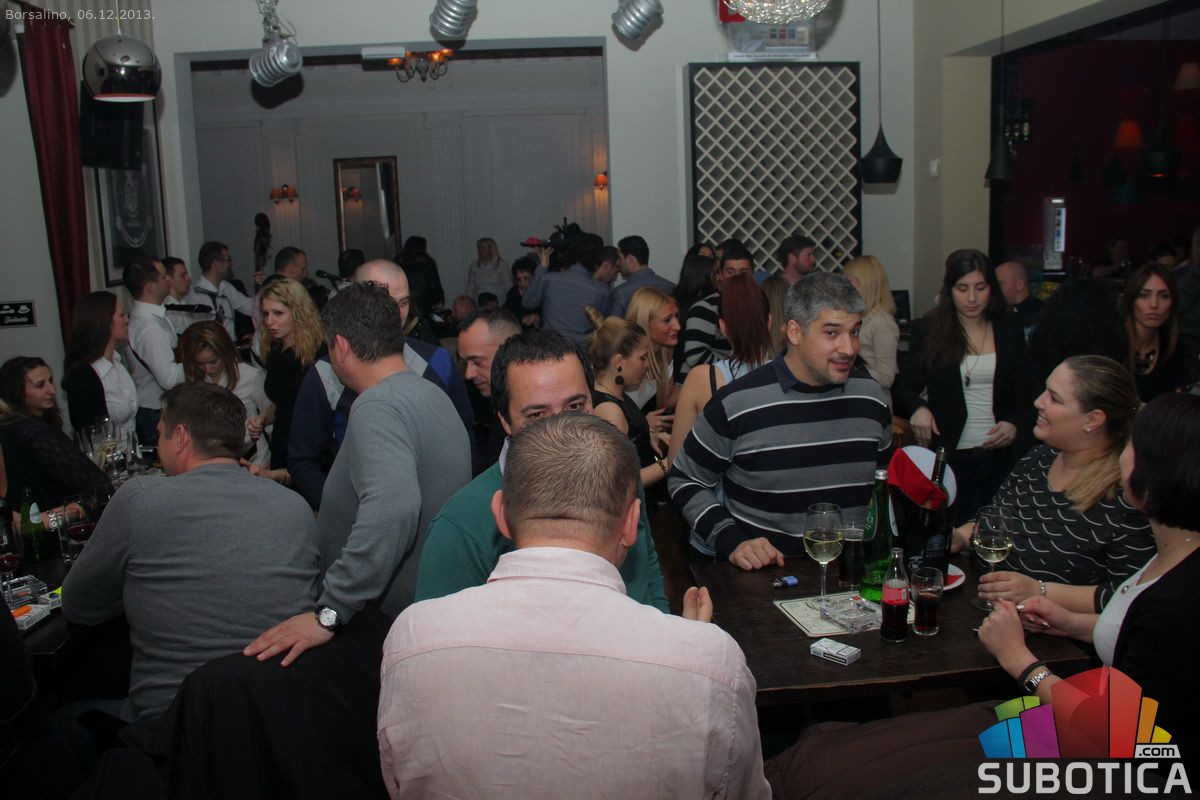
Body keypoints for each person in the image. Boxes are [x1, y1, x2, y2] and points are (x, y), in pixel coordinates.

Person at [382, 413, 769, 799]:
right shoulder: (710, 661)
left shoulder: (412, 638)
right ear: (631, 524)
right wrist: (690, 649)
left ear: (500, 514)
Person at [61, 382, 321, 722]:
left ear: (181, 437)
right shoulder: (295, 506)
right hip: (282, 716)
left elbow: (79, 605)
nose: (159, 448)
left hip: (173, 727)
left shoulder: (140, 500)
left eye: (161, 435)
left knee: (62, 721)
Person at [245, 282, 470, 667]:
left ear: (341, 346)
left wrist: (331, 611)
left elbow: (394, 508)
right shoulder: (431, 394)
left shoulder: (378, 406)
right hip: (422, 615)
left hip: (381, 626)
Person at [979, 392, 1200, 768]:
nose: (1119, 454)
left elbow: (1118, 732)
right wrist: (1069, 622)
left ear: (1156, 471)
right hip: (1100, 723)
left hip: (1130, 768)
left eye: (1129, 445)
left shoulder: (1179, 599)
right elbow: (1143, 642)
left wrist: (1019, 660)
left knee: (963, 746)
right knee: (952, 731)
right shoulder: (1174, 552)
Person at [414, 330, 668, 611]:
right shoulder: (461, 525)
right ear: (505, 421)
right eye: (537, 415)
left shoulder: (617, 473)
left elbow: (646, 566)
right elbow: (439, 632)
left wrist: (662, 625)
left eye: (574, 406)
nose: (561, 428)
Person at [669, 272, 891, 567]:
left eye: (854, 332)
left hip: (852, 577)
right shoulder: (738, 402)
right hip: (766, 579)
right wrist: (732, 540)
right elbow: (685, 479)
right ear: (795, 333)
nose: (849, 348)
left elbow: (885, 483)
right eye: (831, 333)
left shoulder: (871, 398)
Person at [961, 356, 1153, 612]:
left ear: (1092, 420)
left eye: (1054, 398)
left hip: (1054, 634)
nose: (1038, 402)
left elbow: (1129, 595)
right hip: (987, 612)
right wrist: (959, 537)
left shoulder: (1126, 492)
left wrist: (1040, 591)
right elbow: (994, 522)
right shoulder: (1039, 458)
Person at [287, 260, 474, 510]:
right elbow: (303, 458)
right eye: (383, 302)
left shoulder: (437, 362)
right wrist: (338, 513)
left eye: (403, 302)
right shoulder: (327, 371)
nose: (395, 313)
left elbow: (465, 438)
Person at [893, 249, 1032, 525]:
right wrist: (919, 408)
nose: (971, 298)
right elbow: (903, 388)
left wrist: (1015, 422)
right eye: (962, 288)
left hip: (1001, 455)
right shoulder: (930, 330)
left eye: (980, 288)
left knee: (998, 529)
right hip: (951, 454)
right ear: (949, 290)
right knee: (951, 531)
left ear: (991, 288)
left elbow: (1028, 389)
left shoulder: (1009, 326)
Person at [669, 273, 774, 467]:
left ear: (723, 327)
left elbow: (677, 463)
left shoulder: (702, 379)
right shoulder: (788, 376)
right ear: (769, 321)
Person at [0, 357, 111, 510]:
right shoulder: (37, 434)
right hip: (59, 519)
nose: (51, 390)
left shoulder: (9, 426)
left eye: (50, 381)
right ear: (17, 392)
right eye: (40, 385)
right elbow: (101, 488)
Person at [585, 309, 671, 489]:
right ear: (619, 362)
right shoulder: (610, 411)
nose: (647, 365)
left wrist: (647, 436)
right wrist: (670, 462)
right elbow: (621, 484)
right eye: (642, 358)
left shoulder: (615, 394)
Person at [179, 321, 272, 468]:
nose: (208, 369)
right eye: (200, 364)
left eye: (213, 362)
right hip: (213, 465)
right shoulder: (192, 380)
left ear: (225, 352)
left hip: (255, 463)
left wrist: (270, 466)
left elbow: (271, 421)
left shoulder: (250, 376)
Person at [257, 278, 324, 472]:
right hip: (282, 440)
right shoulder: (274, 351)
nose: (269, 321)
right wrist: (263, 418)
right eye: (266, 314)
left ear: (298, 312)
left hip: (311, 446)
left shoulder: (318, 353)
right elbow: (284, 401)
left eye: (278, 313)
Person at [125, 255, 185, 447]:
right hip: (155, 412)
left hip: (156, 409)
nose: (169, 280)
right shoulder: (149, 327)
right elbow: (170, 379)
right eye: (163, 277)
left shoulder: (152, 316)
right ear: (150, 287)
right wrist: (198, 362)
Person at [61, 291, 137, 438]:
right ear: (105, 323)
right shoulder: (83, 377)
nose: (127, 319)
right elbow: (90, 434)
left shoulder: (117, 361)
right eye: (121, 315)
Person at [1120, 262, 1198, 402]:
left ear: (1173, 303)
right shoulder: (1112, 339)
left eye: (1164, 296)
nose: (1154, 304)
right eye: (1144, 295)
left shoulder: (1175, 345)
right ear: (1131, 300)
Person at [676, 243, 753, 384]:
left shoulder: (756, 306)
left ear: (752, 274)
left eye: (743, 272)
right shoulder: (705, 308)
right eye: (730, 272)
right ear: (720, 275)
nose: (737, 277)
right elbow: (695, 357)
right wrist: (738, 370)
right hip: (702, 387)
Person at [458, 308, 521, 470]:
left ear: (510, 352)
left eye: (477, 362)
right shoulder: (502, 404)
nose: (468, 374)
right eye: (465, 362)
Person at [521, 232, 612, 341]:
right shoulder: (602, 290)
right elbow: (603, 326)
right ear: (598, 259)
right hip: (582, 349)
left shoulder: (549, 279)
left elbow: (527, 302)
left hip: (551, 346)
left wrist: (542, 267)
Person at [843, 255, 900, 406]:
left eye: (850, 284)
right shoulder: (858, 318)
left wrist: (847, 369)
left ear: (866, 284)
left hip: (874, 401)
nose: (845, 289)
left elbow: (886, 377)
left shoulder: (882, 323)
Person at [624, 286, 681, 415]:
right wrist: (645, 423)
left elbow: (665, 402)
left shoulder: (665, 351)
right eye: (667, 320)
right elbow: (607, 416)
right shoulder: (625, 358)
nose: (678, 326)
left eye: (676, 316)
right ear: (645, 324)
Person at [194, 241, 256, 343]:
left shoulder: (226, 287)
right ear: (216, 264)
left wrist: (266, 288)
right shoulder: (196, 296)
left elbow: (250, 307)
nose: (231, 264)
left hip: (231, 348)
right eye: (228, 260)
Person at [607, 235, 676, 318]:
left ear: (630, 259)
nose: (617, 263)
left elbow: (612, 325)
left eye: (620, 258)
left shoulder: (620, 294)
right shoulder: (671, 287)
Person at [995, 260, 1043, 341]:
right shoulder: (998, 313)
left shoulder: (1041, 315)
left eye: (1000, 284)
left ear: (1019, 285)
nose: (995, 288)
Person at [162, 256, 203, 335]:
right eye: (183, 275)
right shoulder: (168, 310)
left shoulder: (183, 302)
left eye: (187, 275)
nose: (189, 279)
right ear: (169, 279)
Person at [504, 255, 541, 328]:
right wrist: (522, 319)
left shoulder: (541, 290)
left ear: (535, 276)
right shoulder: (513, 292)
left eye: (526, 278)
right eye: (518, 279)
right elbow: (508, 315)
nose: (522, 282)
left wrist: (537, 317)